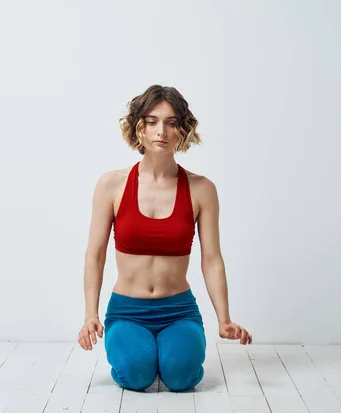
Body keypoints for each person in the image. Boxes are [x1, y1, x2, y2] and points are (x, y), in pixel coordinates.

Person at [78, 85, 252, 393]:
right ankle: (143, 353)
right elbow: (96, 255)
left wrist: (224, 318)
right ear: (138, 128)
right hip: (127, 311)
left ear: (183, 131)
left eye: (172, 122)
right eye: (152, 121)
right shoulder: (112, 185)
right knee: (135, 375)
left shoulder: (201, 189)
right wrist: (90, 315)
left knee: (181, 378)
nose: (162, 131)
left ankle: (168, 353)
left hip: (178, 311)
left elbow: (212, 259)